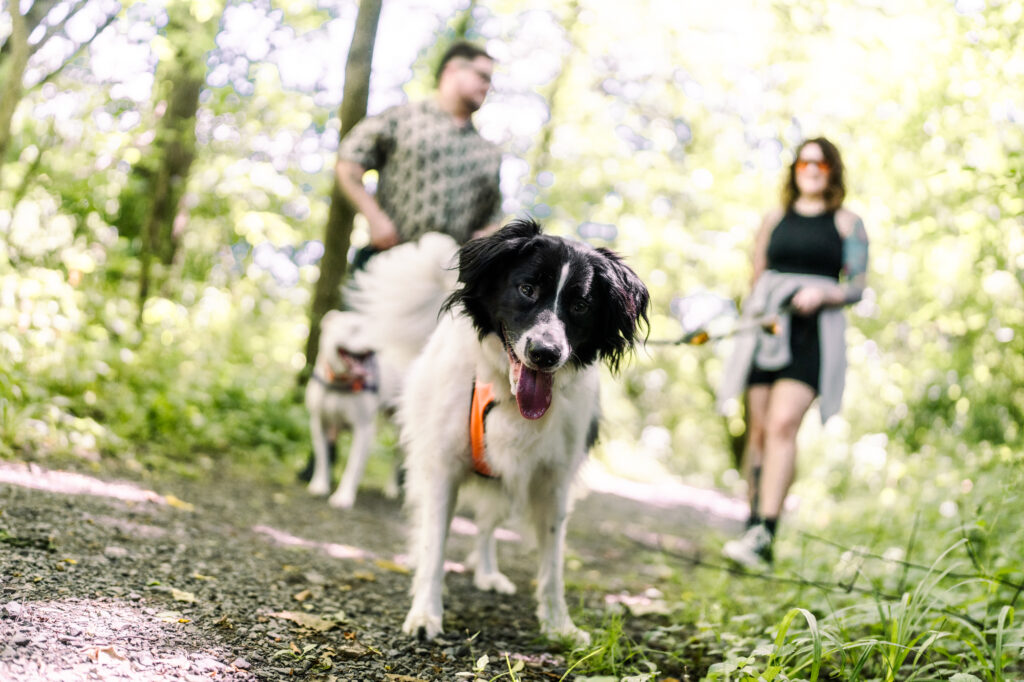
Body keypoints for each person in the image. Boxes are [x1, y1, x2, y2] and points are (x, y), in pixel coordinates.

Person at [718, 137, 869, 569]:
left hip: (813, 336)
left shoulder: (847, 223)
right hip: (767, 331)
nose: (812, 169)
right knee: (760, 430)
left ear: (832, 171)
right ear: (795, 169)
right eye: (805, 162)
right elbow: (757, 276)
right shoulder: (773, 219)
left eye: (821, 164)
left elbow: (857, 287)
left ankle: (767, 530)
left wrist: (822, 293)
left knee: (784, 425)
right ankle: (750, 526)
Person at [335, 40, 504, 267]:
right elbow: (348, 165)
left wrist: (486, 238)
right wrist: (375, 220)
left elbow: (493, 217)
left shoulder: (488, 152)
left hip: (447, 278)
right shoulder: (400, 118)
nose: (486, 86)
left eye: (490, 81)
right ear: (452, 69)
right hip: (387, 261)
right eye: (482, 76)